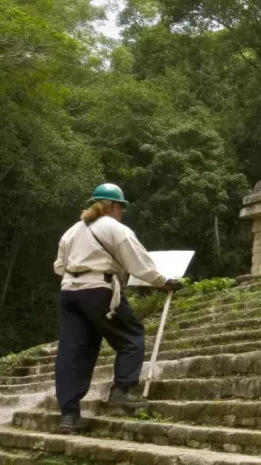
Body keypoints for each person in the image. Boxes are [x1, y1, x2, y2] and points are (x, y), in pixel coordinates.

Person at [53, 183, 182, 433]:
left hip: (68, 292)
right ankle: (121, 391)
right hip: (98, 290)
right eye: (121, 207)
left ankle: (69, 415)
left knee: (74, 350)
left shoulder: (72, 230)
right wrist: (163, 282)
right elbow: (139, 263)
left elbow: (59, 266)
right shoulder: (115, 228)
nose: (121, 212)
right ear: (113, 206)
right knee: (131, 336)